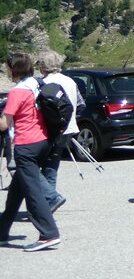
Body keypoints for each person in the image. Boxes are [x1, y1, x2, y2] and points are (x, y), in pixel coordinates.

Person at [0, 52, 61, 250]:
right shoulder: (36, 84)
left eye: (7, 66)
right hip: (42, 141)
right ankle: (1, 232)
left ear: (13, 69)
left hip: (26, 145)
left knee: (33, 192)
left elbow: (4, 124)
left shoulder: (17, 92)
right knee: (16, 191)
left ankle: (49, 234)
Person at [38, 57, 83, 214]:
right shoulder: (70, 81)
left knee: (32, 167)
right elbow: (80, 104)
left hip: (49, 130)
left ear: (43, 67)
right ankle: (48, 203)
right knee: (51, 166)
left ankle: (50, 198)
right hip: (68, 129)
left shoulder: (42, 82)